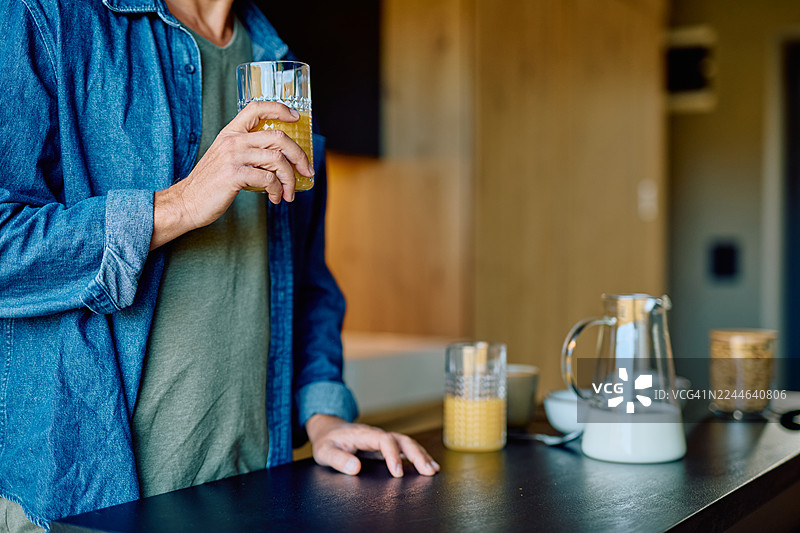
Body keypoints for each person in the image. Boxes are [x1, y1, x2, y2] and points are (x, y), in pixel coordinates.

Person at [0, 0, 439, 529]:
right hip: (90, 502)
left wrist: (323, 416)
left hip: (250, 491)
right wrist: (179, 204)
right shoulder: (47, 16)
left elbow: (306, 281)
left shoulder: (280, 61)